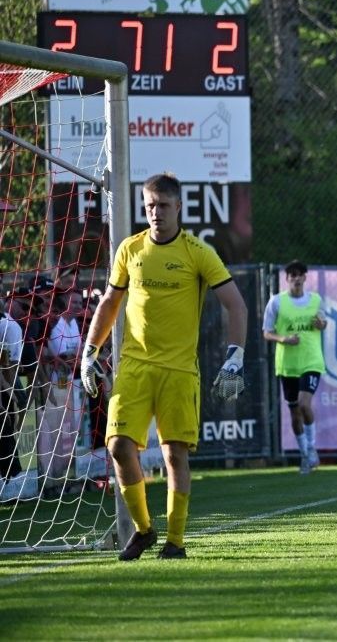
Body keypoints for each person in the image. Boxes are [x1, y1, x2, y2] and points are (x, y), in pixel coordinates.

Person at [79, 173, 248, 560]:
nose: (156, 213)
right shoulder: (130, 249)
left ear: (179, 209)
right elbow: (109, 302)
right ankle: (143, 530)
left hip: (178, 371)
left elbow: (236, 305)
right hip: (134, 368)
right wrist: (90, 351)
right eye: (150, 206)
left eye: (163, 206)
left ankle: (175, 541)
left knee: (174, 456)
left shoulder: (197, 252)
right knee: (119, 447)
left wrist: (235, 357)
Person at [263, 260, 328, 474]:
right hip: (288, 365)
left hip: (311, 360)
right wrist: (283, 338)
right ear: (287, 278)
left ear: (305, 277)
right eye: (292, 275)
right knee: (294, 414)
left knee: (304, 404)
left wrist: (321, 324)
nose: (296, 278)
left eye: (300, 274)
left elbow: (323, 321)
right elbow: (267, 331)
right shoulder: (276, 302)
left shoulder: (316, 300)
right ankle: (304, 456)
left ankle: (311, 448)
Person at [36, 291, 83, 497]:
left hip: (71, 383)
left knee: (69, 433)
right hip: (56, 385)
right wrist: (71, 359)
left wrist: (73, 359)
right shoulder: (55, 327)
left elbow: (77, 354)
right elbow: (62, 356)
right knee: (54, 433)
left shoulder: (74, 325)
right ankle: (52, 482)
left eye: (80, 302)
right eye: (74, 302)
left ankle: (67, 478)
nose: (78, 305)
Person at [0, 296, 26, 499]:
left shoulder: (6, 326)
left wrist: (9, 390)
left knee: (6, 427)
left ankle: (8, 479)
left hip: (2, 389)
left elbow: (6, 364)